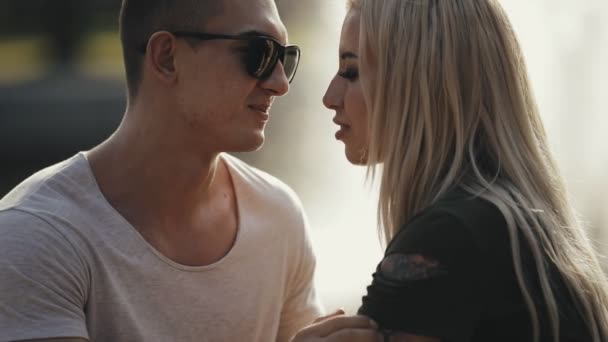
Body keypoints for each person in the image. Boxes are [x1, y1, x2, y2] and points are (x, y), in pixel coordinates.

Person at [0, 1, 328, 341]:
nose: (280, 83)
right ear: (166, 57)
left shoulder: (279, 217)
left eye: (284, 59)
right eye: (259, 53)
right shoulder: (36, 236)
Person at [322, 0, 608, 341]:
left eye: (351, 72)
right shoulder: (524, 224)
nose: (330, 96)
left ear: (418, 81)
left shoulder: (445, 237)